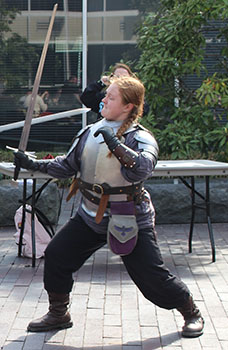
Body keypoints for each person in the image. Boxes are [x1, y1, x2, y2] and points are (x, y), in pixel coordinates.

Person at [14, 76, 204, 338]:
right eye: (106, 95)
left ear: (128, 106)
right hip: (90, 214)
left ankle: (191, 312)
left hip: (129, 217)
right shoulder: (90, 132)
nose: (103, 99)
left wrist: (115, 144)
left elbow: (142, 169)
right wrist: (32, 163)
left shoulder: (141, 137)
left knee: (152, 277)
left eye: (111, 97)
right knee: (58, 255)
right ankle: (59, 313)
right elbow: (67, 166)